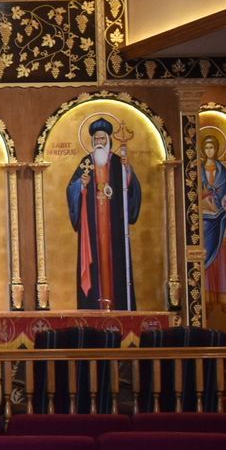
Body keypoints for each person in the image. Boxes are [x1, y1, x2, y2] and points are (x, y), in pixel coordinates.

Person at [67, 116, 142, 310]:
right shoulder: (86, 163)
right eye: (96, 140)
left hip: (113, 226)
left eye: (102, 139)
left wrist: (127, 171)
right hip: (92, 225)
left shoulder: (118, 163)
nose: (99, 142)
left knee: (115, 263)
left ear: (109, 139)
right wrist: (81, 185)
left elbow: (131, 191)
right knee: (96, 267)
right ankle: (93, 306)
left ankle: (119, 306)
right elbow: (71, 189)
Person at [199, 130, 226, 329]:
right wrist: (204, 195)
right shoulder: (197, 170)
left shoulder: (223, 172)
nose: (209, 151)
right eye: (206, 147)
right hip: (205, 220)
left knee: (223, 256)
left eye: (212, 147)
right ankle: (206, 300)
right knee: (207, 257)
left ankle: (225, 300)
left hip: (223, 219)